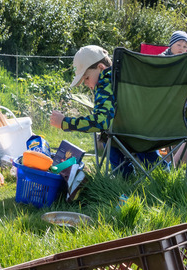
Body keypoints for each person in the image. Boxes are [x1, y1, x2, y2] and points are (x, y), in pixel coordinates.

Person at [49, 45, 157, 175]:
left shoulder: (105, 82)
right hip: (155, 131)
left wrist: (65, 122)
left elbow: (101, 122)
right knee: (151, 159)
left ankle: (124, 176)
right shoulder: (129, 75)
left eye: (87, 78)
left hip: (129, 137)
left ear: (101, 67)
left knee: (107, 136)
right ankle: (164, 174)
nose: (86, 84)